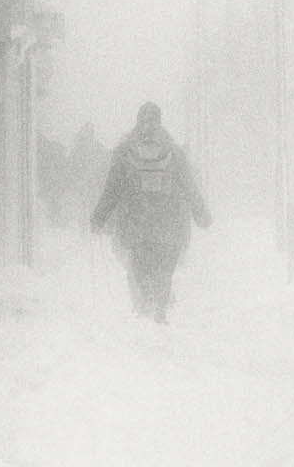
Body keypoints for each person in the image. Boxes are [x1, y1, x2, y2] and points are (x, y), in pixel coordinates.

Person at [90, 102, 212, 323]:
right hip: (167, 222)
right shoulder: (173, 151)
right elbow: (188, 185)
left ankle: (146, 303)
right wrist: (201, 213)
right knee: (165, 268)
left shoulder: (125, 151)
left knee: (140, 265)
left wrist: (99, 216)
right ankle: (159, 307)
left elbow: (112, 188)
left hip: (136, 223)